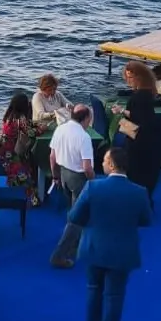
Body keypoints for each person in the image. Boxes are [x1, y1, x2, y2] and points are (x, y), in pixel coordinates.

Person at [70, 147, 151, 321]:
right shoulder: (139, 192)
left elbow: (74, 217)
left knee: (93, 288)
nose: (102, 163)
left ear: (112, 165)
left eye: (105, 160)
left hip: (94, 247)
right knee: (114, 295)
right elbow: (145, 220)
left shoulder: (92, 188)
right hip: (122, 251)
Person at [48, 104, 96, 269]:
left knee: (72, 210)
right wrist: (93, 181)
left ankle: (75, 243)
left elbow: (52, 156)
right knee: (77, 218)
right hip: (78, 178)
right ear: (86, 119)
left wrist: (55, 176)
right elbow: (87, 167)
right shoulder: (84, 137)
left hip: (63, 174)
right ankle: (59, 255)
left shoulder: (60, 129)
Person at [112, 62, 161, 203]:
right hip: (146, 141)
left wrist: (120, 119)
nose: (128, 81)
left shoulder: (139, 97)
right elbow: (139, 115)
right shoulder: (146, 94)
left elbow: (137, 120)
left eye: (131, 77)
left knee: (137, 175)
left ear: (139, 78)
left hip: (139, 144)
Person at [0, 92, 40, 206]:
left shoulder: (9, 116)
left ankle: (13, 184)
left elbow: (26, 125)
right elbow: (30, 133)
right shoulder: (20, 119)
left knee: (14, 169)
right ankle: (32, 200)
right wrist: (41, 129)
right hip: (13, 151)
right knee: (26, 173)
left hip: (3, 148)